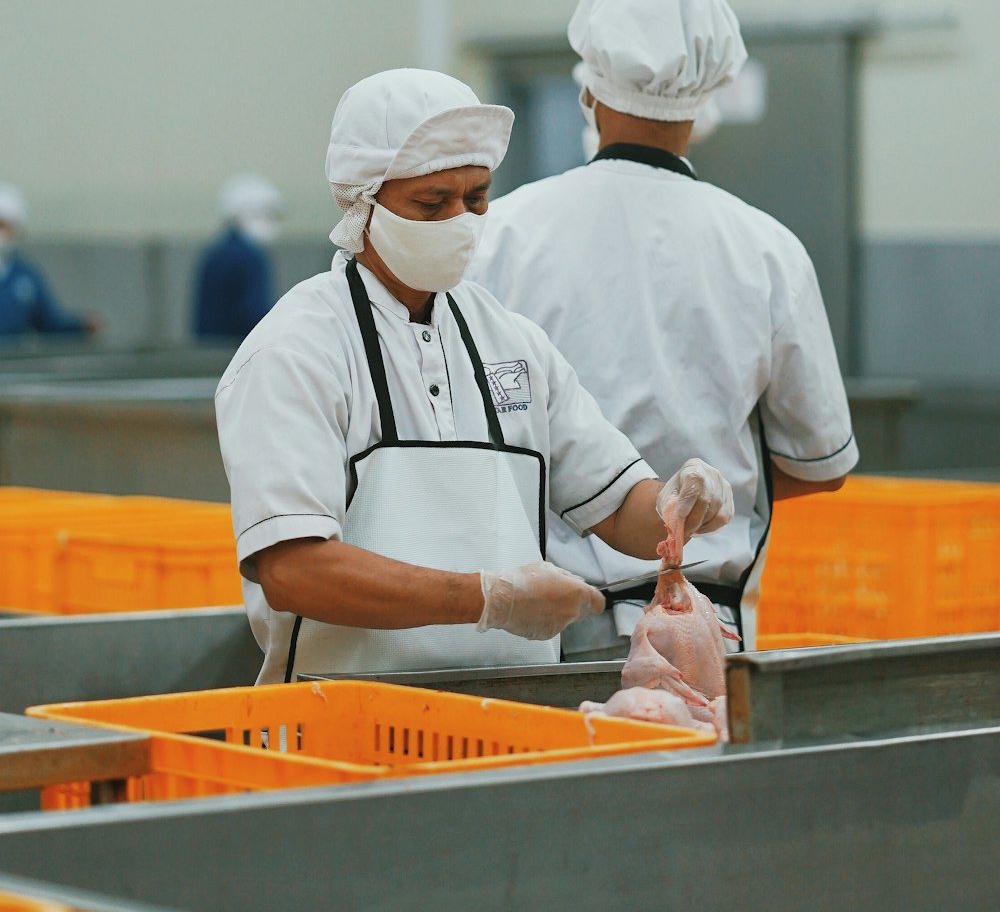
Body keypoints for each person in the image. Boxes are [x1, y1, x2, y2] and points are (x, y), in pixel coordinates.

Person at [215, 69, 734, 683]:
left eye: (477, 198)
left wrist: (676, 506)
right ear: (362, 202)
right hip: (346, 718)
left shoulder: (510, 340)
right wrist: (485, 600)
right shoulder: (298, 350)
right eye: (432, 203)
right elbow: (293, 569)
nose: (461, 219)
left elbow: (619, 508)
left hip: (512, 715)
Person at [472, 0, 858, 652]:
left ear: (588, 84)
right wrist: (695, 498)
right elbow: (817, 464)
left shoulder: (502, 232)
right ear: (710, 90)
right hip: (704, 637)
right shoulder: (765, 249)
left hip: (536, 630)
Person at [193, 175, 285, 343]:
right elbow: (255, 315)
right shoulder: (249, 257)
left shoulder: (215, 253)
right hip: (239, 352)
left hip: (210, 353)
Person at [0, 185, 96, 340]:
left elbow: (49, 322)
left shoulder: (24, 276)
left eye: (4, 226)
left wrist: (80, 326)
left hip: (11, 362)